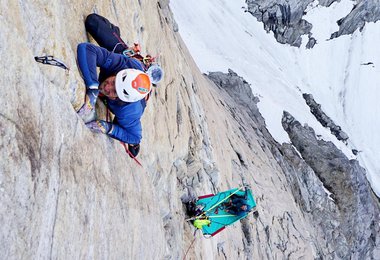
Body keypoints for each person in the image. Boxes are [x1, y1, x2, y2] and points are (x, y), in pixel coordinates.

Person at [76, 14, 163, 157]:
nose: (107, 88)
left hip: (129, 103)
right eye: (113, 82)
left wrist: (109, 128)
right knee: (93, 22)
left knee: (121, 124)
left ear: (120, 98)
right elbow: (87, 50)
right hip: (124, 59)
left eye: (114, 92)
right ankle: (115, 32)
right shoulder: (122, 65)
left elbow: (135, 137)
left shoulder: (129, 111)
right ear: (118, 74)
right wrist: (92, 89)